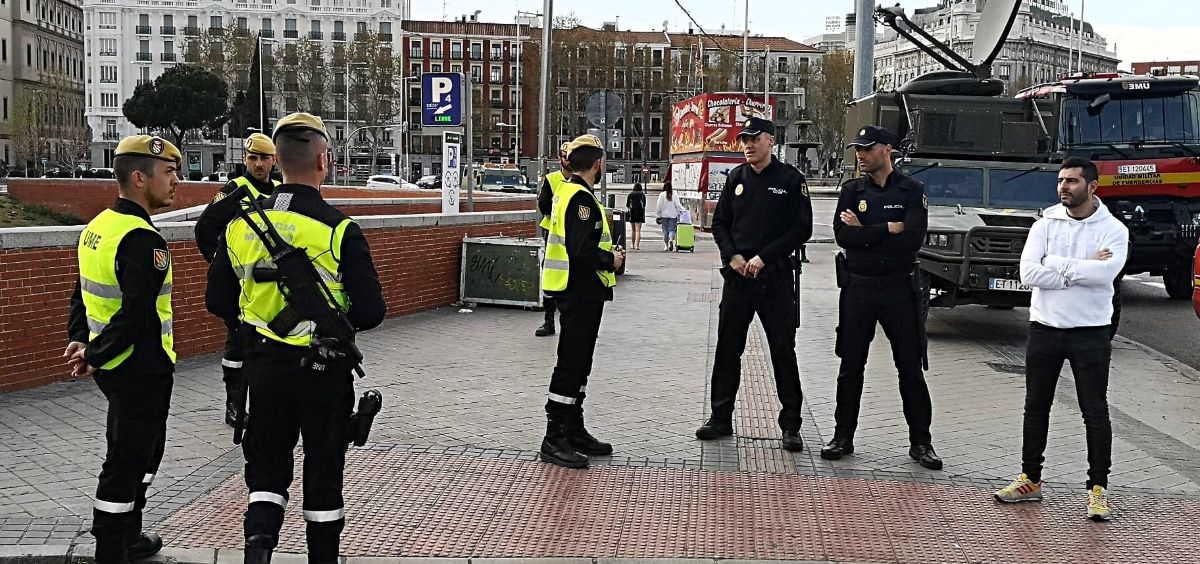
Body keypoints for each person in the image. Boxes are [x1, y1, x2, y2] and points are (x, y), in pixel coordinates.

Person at [205, 113, 386, 563]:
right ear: (323, 160)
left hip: (264, 369)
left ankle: (258, 549)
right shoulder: (340, 229)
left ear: (278, 161)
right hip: (324, 371)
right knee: (323, 471)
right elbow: (371, 311)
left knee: (266, 471)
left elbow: (217, 300)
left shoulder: (241, 226)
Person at [65, 135, 181, 564]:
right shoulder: (142, 239)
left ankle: (130, 533)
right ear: (139, 178)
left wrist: (81, 338)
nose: (176, 181)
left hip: (115, 365)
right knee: (126, 461)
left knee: (145, 452)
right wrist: (91, 354)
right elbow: (137, 316)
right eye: (168, 172)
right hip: (140, 367)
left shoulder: (98, 227)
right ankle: (111, 548)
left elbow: (81, 290)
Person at [994, 157, 1129, 522]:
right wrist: (1080, 268)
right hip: (1045, 328)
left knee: (1094, 410)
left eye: (1072, 181)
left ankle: (1097, 488)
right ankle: (1030, 479)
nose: (1063, 187)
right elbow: (1028, 273)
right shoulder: (1045, 223)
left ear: (1092, 187)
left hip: (1091, 332)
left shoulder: (1113, 229)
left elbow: (1106, 275)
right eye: (1060, 181)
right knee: (1036, 406)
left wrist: (1054, 263)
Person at [823, 125, 942, 470]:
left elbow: (912, 240)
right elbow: (843, 236)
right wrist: (888, 227)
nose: (860, 155)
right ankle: (842, 436)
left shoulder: (910, 190)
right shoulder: (852, 190)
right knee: (850, 366)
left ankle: (921, 442)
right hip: (858, 287)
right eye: (858, 149)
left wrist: (864, 231)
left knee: (910, 368)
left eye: (867, 148)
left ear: (887, 149)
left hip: (898, 288)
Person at [695, 117, 813, 452]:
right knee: (727, 349)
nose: (748, 145)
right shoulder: (736, 178)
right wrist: (732, 256)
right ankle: (720, 418)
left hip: (774, 277)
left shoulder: (790, 180)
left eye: (754, 138)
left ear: (770, 141)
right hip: (738, 279)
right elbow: (720, 223)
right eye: (744, 139)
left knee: (782, 351)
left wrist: (765, 257)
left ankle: (791, 425)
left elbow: (801, 228)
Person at [538, 134, 626, 469]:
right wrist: (611, 259)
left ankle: (573, 428)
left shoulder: (567, 190)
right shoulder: (581, 199)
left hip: (573, 290)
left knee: (579, 362)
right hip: (579, 290)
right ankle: (555, 436)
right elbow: (580, 248)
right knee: (572, 362)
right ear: (597, 164)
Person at [194, 132, 280, 426]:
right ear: (245, 159)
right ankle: (234, 405)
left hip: (271, 282)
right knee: (237, 342)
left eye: (264, 158)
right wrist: (224, 266)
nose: (258, 164)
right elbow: (205, 229)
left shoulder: (280, 191)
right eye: (253, 158)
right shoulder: (235, 190)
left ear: (273, 160)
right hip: (241, 283)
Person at [534, 142, 573, 337]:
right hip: (553, 235)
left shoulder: (580, 180)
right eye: (565, 157)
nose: (568, 160)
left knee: (574, 279)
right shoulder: (551, 179)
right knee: (549, 277)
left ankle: (573, 323)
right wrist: (563, 211)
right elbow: (543, 205)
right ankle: (549, 321)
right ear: (560, 159)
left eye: (571, 157)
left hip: (574, 234)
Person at [655, 181, 685, 251]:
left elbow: (659, 206)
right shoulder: (674, 194)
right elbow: (678, 205)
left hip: (664, 216)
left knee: (665, 231)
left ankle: (666, 246)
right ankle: (671, 239)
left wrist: (658, 214)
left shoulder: (662, 195)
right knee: (671, 229)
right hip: (673, 215)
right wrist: (683, 210)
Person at [625, 182, 647, 250]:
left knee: (633, 230)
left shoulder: (630, 194)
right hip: (640, 213)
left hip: (632, 213)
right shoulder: (642, 195)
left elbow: (627, 204)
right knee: (638, 230)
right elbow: (644, 205)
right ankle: (637, 245)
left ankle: (632, 244)